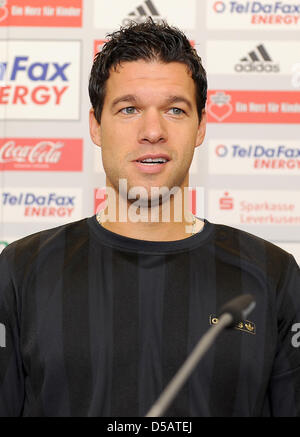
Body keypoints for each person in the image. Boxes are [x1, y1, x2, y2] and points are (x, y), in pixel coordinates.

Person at [0, 19, 299, 417]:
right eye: (129, 109)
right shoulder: (20, 270)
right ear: (95, 125)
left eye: (175, 109)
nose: (152, 131)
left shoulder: (273, 272)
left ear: (201, 128)